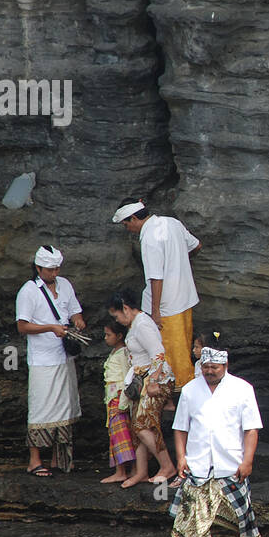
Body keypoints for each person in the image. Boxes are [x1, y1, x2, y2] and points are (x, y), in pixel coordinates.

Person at [168, 342, 263, 537]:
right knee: (196, 521)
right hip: (198, 466)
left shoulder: (242, 389)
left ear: (225, 365)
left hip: (231, 464)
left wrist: (248, 460)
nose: (210, 371)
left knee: (240, 517)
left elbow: (251, 429)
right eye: (206, 366)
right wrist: (181, 457)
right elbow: (180, 428)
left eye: (215, 367)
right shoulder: (190, 390)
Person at [111, 198, 202, 389]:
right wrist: (178, 264)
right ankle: (185, 389)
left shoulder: (150, 238)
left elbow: (156, 277)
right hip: (185, 299)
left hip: (167, 306)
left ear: (134, 218)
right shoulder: (172, 222)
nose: (127, 229)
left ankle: (175, 393)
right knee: (184, 348)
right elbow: (196, 246)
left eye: (126, 224)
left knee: (171, 353)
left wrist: (155, 312)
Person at [15, 246, 85, 475]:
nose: (55, 273)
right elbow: (22, 326)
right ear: (38, 268)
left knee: (65, 404)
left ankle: (60, 458)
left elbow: (75, 311)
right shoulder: (28, 291)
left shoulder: (64, 284)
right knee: (41, 408)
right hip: (42, 360)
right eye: (50, 270)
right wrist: (50, 328)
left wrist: (78, 321)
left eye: (57, 269)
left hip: (64, 356)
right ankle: (34, 460)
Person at [108, 288, 177, 487]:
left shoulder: (143, 324)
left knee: (143, 424)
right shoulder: (134, 324)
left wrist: (154, 381)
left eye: (117, 315)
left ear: (126, 309)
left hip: (157, 380)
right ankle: (141, 471)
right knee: (135, 425)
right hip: (142, 380)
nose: (117, 320)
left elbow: (158, 353)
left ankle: (167, 466)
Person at [101, 321, 137, 484]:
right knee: (118, 433)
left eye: (109, 335)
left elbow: (126, 379)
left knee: (120, 434)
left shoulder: (123, 353)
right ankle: (126, 469)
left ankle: (121, 471)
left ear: (119, 336)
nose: (105, 338)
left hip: (118, 399)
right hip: (112, 398)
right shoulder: (115, 352)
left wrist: (123, 403)